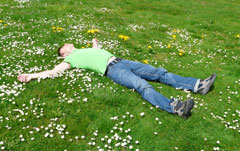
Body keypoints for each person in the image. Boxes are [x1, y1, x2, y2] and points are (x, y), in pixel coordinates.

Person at [18, 39, 216, 118]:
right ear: (63, 54)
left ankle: (197, 85)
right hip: (112, 70)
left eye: (68, 45)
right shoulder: (70, 60)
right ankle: (176, 107)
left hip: (122, 61)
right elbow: (53, 72)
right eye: (65, 48)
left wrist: (95, 43)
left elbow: (95, 51)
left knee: (158, 72)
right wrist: (31, 75)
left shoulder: (84, 49)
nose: (68, 45)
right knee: (142, 85)